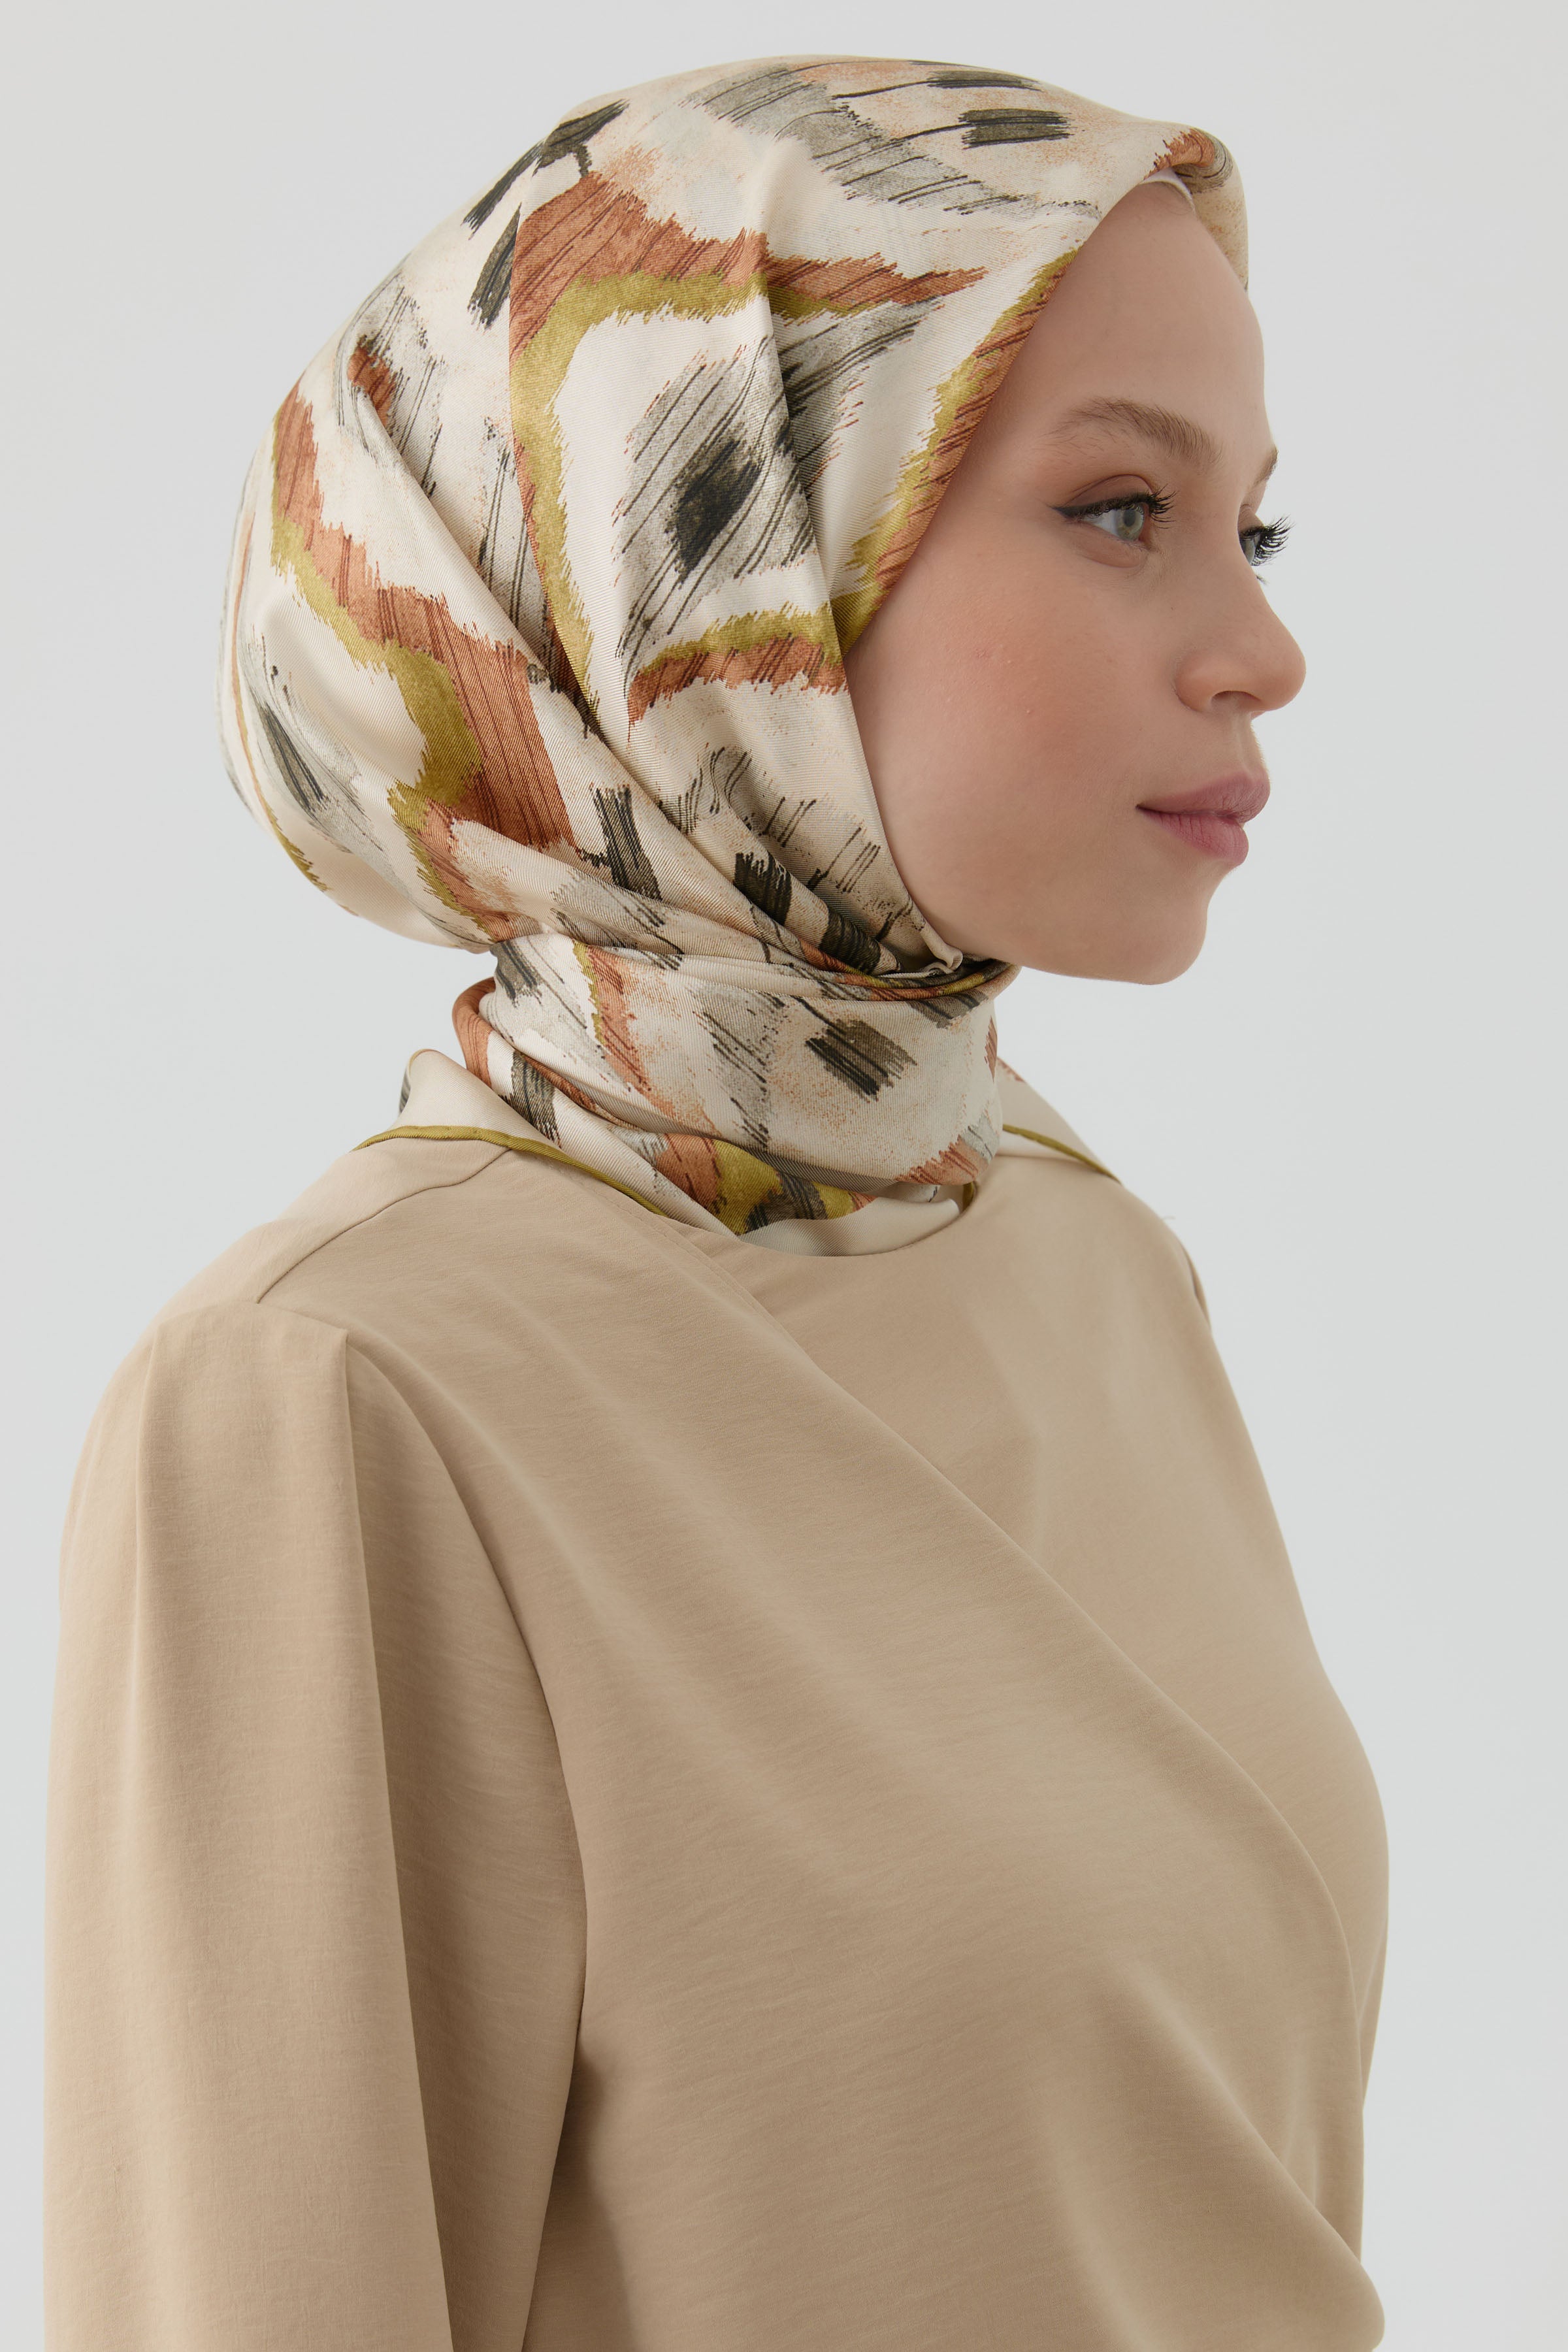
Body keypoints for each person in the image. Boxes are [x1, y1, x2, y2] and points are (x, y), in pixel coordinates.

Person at [43, 55, 1388, 2352]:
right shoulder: (333, 1392)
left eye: (1250, 532)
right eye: (1118, 511)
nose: (1261, 649)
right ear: (715, 563)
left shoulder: (1083, 1252)